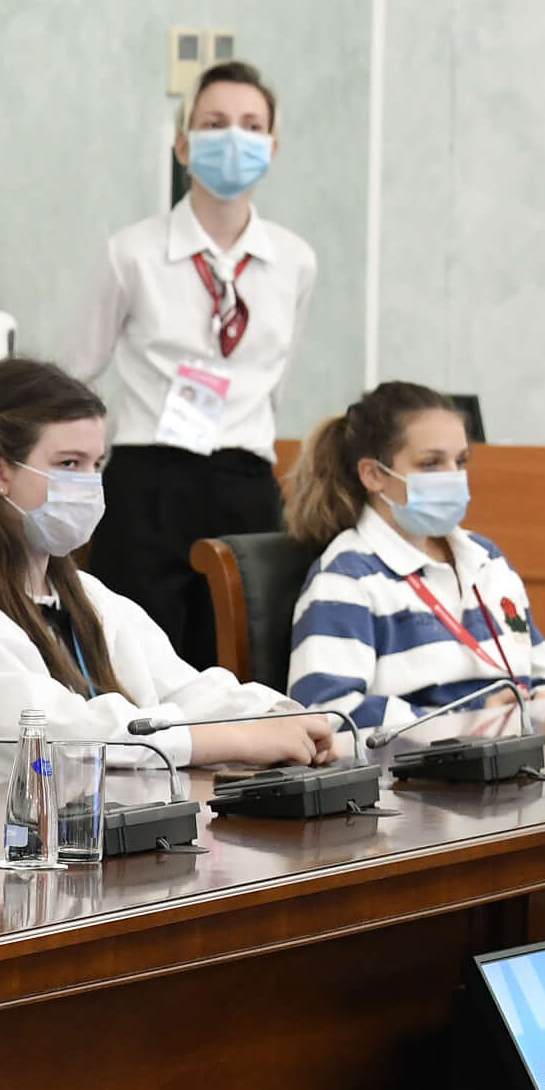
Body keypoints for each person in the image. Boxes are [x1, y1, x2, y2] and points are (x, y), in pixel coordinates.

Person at [0, 359, 336, 793]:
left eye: (96, 465)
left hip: (90, 835)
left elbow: (183, 687)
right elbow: (56, 743)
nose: (89, 483)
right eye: (69, 464)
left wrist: (279, 716)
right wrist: (235, 739)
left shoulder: (86, 595)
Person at [59, 60, 318, 665]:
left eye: (251, 125)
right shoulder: (132, 252)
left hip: (247, 482)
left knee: (240, 665)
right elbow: (74, 373)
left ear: (272, 147)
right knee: (137, 667)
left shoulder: (295, 260)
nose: (234, 138)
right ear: (182, 145)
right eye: (215, 122)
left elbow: (278, 380)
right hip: (148, 481)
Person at [284, 381, 545, 746]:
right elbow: (328, 718)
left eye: (460, 461)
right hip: (417, 775)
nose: (453, 477)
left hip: (512, 757)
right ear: (374, 474)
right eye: (431, 464)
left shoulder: (486, 558)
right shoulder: (347, 576)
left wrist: (544, 701)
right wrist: (471, 719)